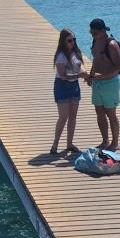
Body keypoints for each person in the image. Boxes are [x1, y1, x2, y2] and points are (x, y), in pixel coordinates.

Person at [86, 17, 120, 151]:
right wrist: (91, 75)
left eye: (95, 33)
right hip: (98, 83)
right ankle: (105, 140)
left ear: (103, 31)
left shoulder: (112, 45)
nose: (93, 35)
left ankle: (115, 143)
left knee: (110, 113)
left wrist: (102, 77)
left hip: (110, 84)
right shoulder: (95, 42)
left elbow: (118, 68)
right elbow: (96, 61)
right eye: (91, 33)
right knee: (99, 112)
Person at [50, 28, 85, 157]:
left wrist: (84, 73)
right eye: (70, 40)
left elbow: (81, 66)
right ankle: (55, 145)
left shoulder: (75, 53)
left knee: (73, 116)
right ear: (63, 42)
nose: (73, 43)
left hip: (74, 86)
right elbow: (63, 75)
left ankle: (69, 143)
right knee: (63, 116)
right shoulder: (61, 56)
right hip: (62, 86)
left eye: (74, 40)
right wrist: (79, 75)